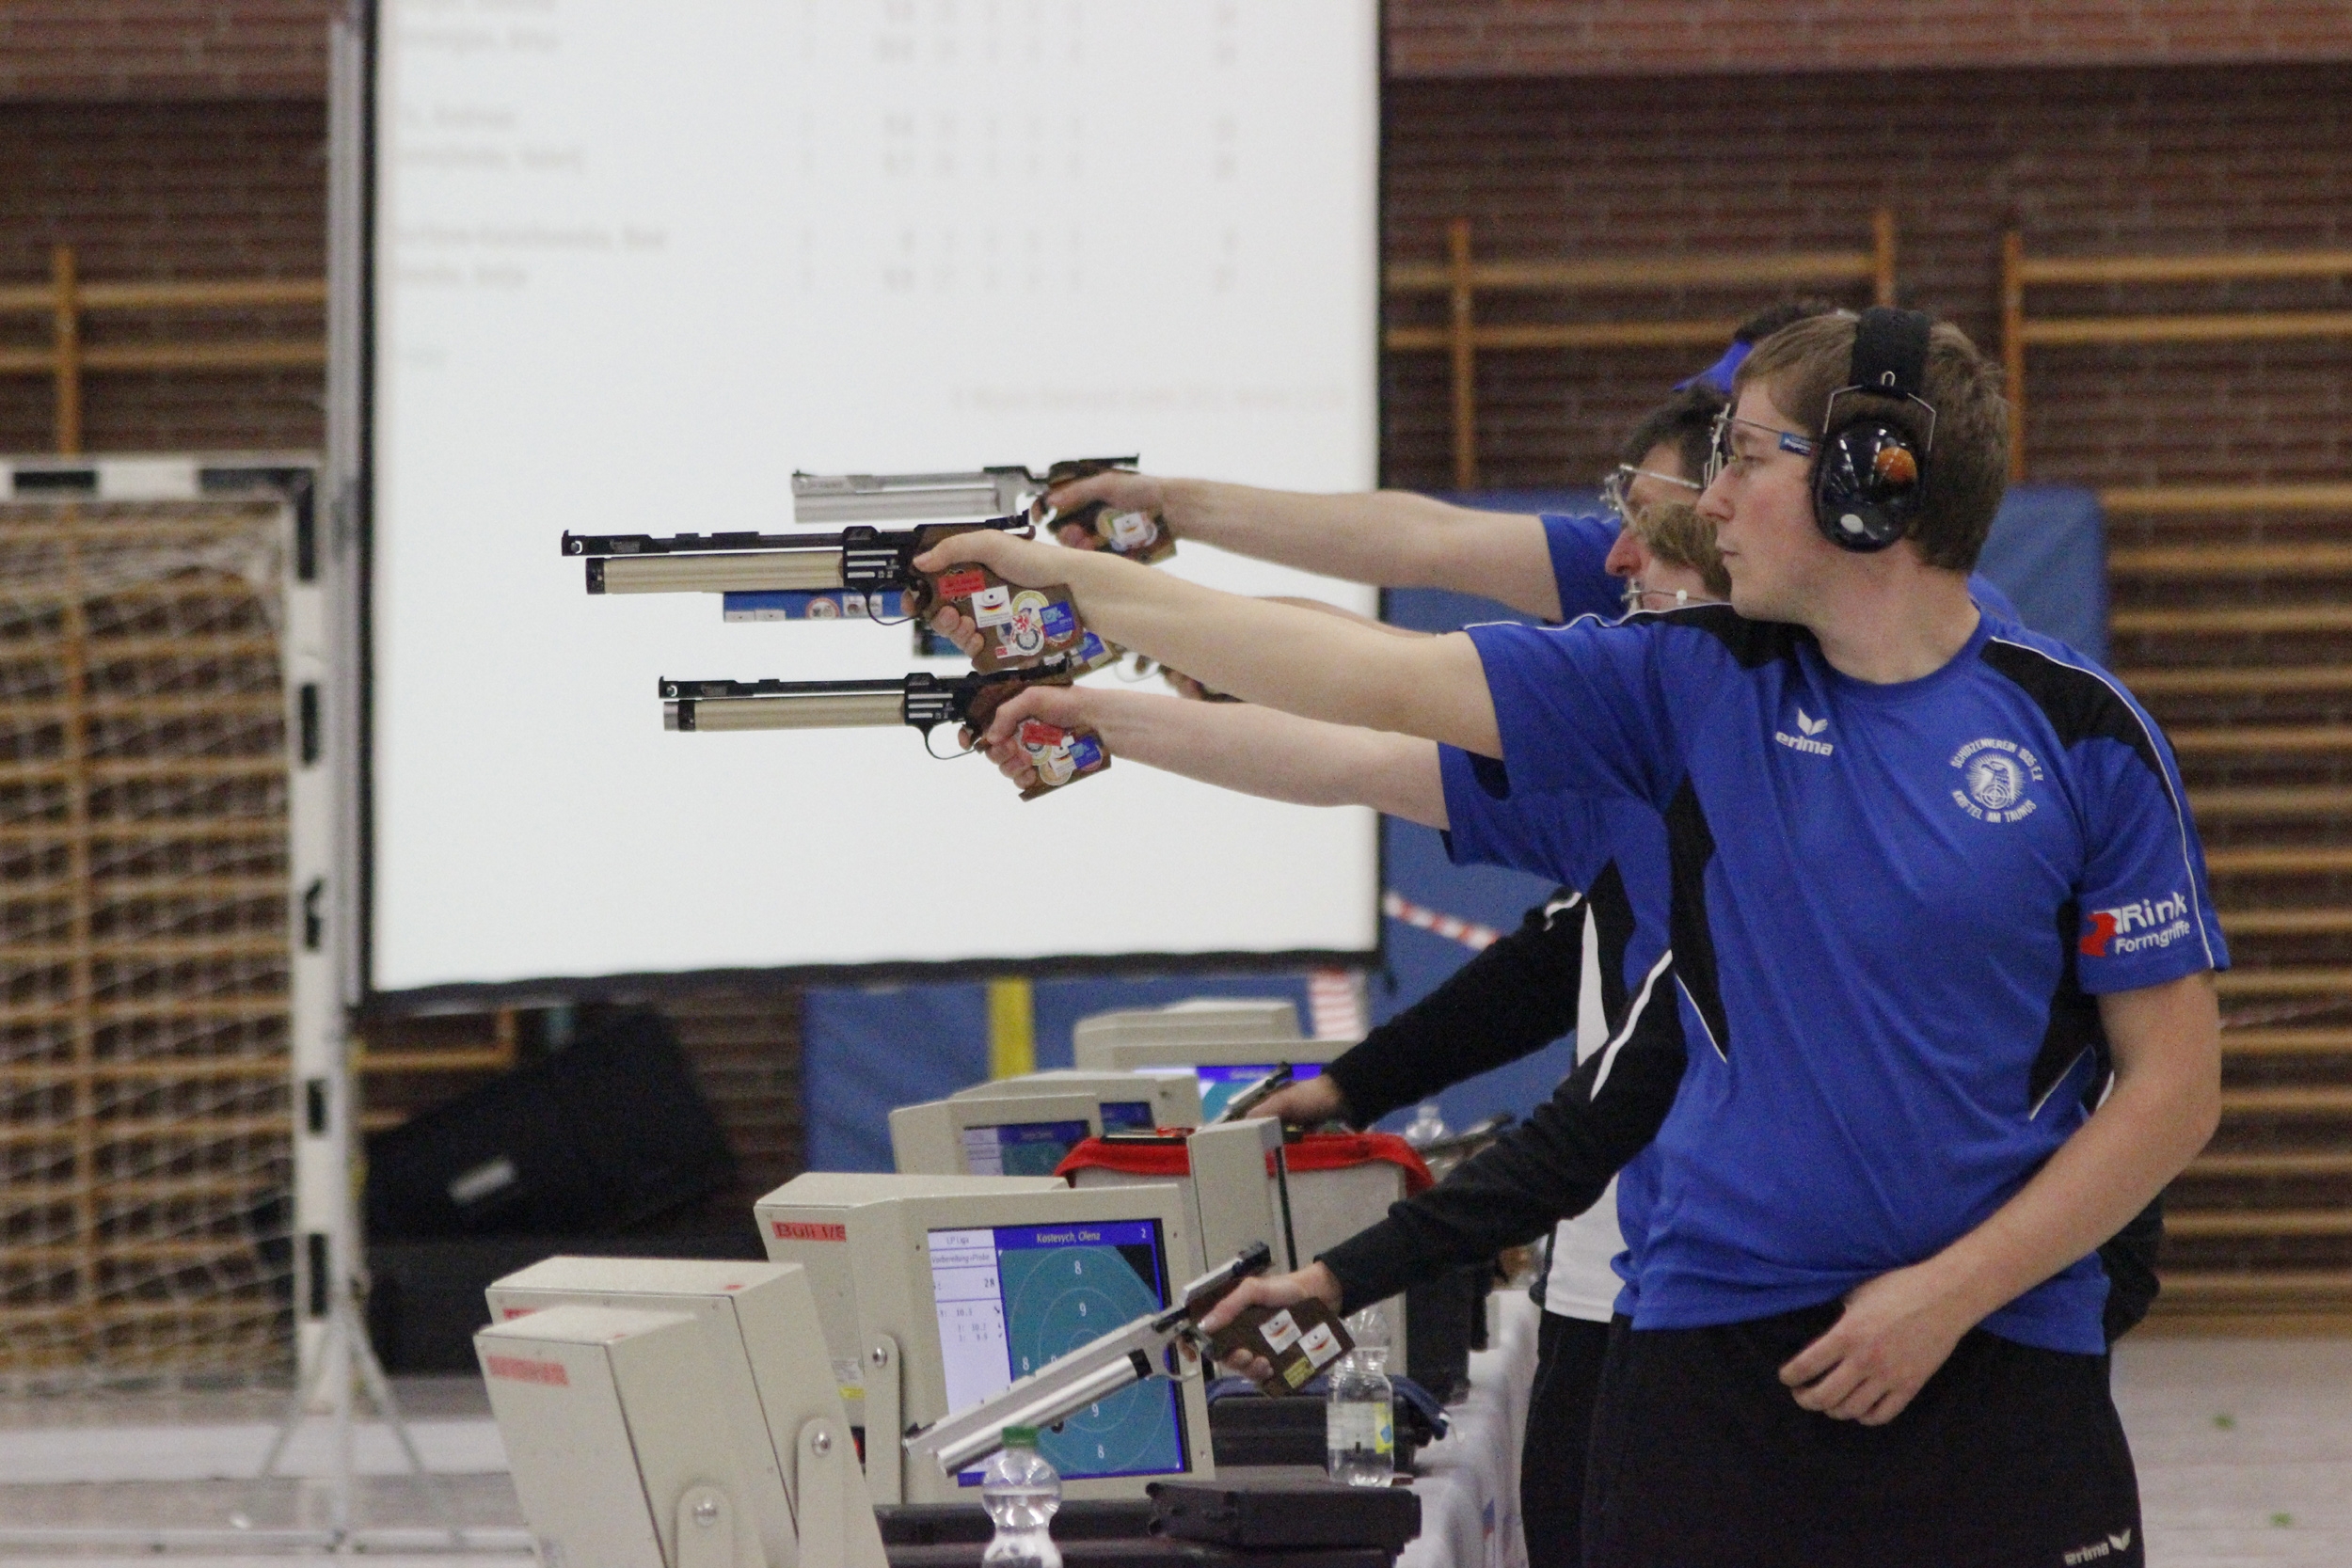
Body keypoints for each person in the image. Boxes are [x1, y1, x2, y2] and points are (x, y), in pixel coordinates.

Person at [917, 309, 2223, 1565]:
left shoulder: (2083, 735)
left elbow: (2172, 1091)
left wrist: (1950, 1291)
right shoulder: (1687, 679)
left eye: (1744, 459)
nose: (1707, 505)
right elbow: (1376, 678)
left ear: (1867, 484)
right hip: (1713, 1357)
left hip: (2001, 1355)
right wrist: (1071, 582)